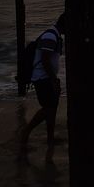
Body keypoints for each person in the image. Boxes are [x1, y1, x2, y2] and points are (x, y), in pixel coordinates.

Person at [21, 13, 66, 147]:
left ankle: (50, 139)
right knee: (48, 109)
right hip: (42, 78)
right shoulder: (50, 36)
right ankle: (26, 131)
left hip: (47, 77)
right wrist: (53, 79)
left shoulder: (55, 35)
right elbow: (45, 61)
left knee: (52, 109)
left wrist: (54, 79)